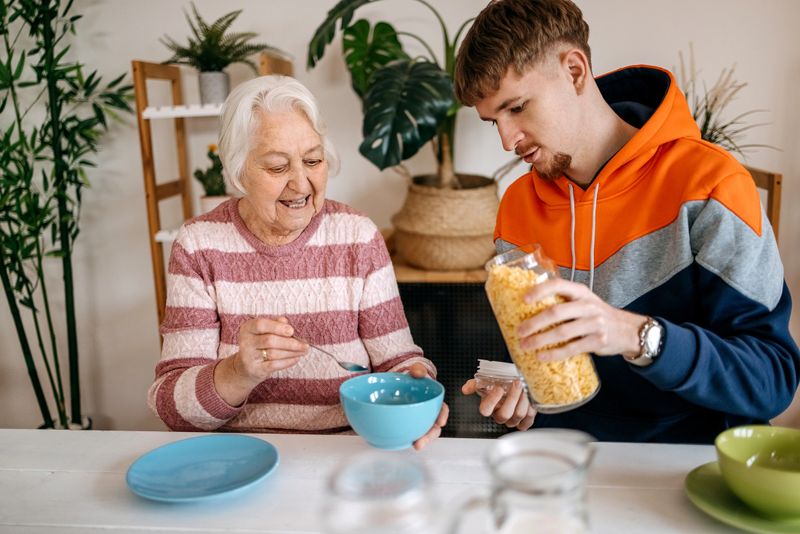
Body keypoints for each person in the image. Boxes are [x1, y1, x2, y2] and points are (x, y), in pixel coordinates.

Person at [454, 0, 799, 443]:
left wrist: (639, 336)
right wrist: (520, 393)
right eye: (492, 122)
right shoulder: (518, 206)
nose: (506, 140)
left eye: (517, 107)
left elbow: (772, 379)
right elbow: (537, 365)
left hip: (681, 464)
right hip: (562, 460)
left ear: (575, 71)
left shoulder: (710, 186)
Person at [148, 75, 448, 449]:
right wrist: (239, 371)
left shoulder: (357, 237)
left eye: (313, 160)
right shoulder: (199, 245)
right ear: (238, 171)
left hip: (345, 452)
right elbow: (170, 407)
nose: (302, 183)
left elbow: (397, 362)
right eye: (277, 167)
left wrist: (416, 386)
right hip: (236, 457)